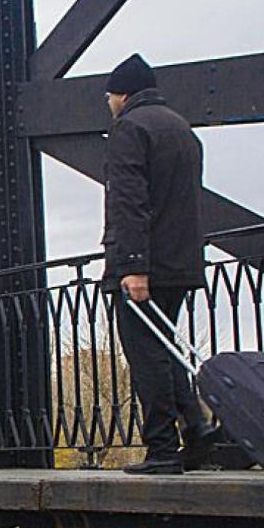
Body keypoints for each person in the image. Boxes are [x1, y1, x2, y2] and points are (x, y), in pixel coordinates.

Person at [101, 54, 218, 475]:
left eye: (111, 96)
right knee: (166, 350)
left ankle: (162, 447)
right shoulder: (181, 129)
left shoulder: (129, 128)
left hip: (144, 266)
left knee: (147, 356)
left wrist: (132, 265)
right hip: (181, 262)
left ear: (124, 94)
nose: (109, 103)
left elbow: (128, 202)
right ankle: (198, 429)